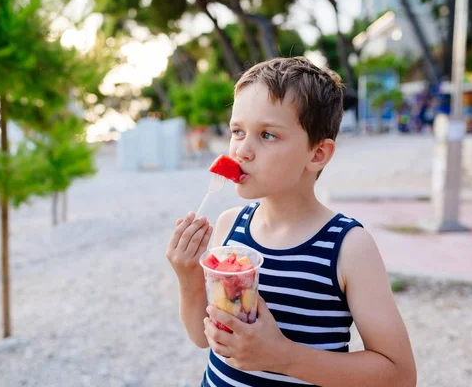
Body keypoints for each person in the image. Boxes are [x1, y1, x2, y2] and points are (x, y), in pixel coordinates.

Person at [166, 57, 417, 387]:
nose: (242, 150)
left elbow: (399, 375)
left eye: (267, 135)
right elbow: (203, 337)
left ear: (317, 154)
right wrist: (187, 277)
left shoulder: (348, 247)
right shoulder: (230, 227)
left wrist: (280, 355)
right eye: (237, 131)